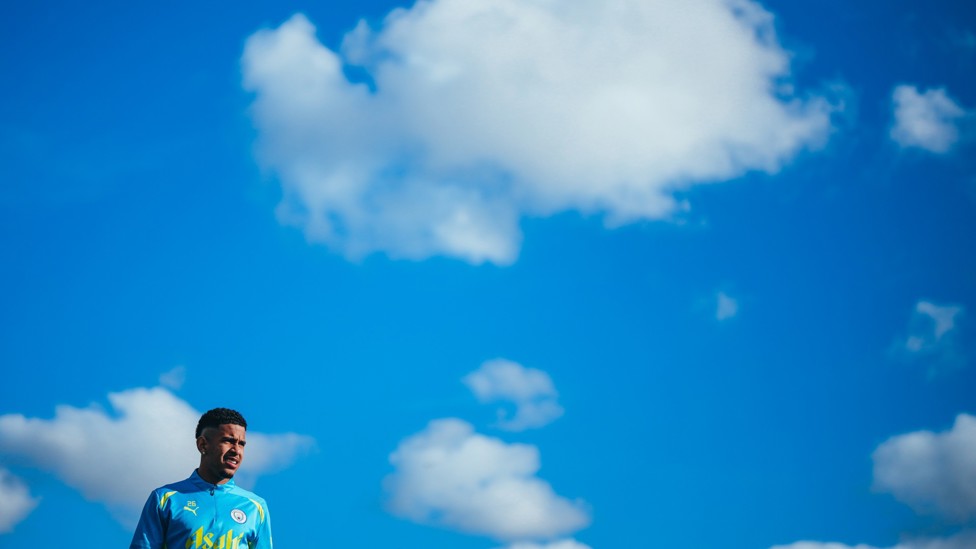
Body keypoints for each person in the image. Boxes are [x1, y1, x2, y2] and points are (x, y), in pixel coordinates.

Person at [130, 408, 273, 549]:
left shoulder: (255, 506)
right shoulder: (165, 499)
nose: (236, 450)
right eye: (228, 441)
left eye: (241, 444)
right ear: (202, 444)